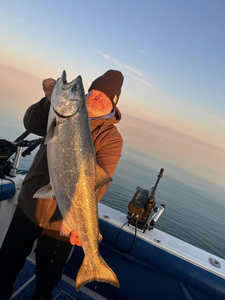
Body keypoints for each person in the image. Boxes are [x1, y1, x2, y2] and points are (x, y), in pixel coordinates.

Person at [0, 70, 124, 300]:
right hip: (31, 202)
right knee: (6, 264)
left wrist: (81, 222)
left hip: (63, 219)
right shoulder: (60, 111)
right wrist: (48, 100)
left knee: (48, 276)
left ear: (113, 105)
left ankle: (87, 268)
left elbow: (100, 181)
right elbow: (30, 122)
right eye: (94, 91)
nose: (97, 96)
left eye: (104, 95)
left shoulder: (112, 138)